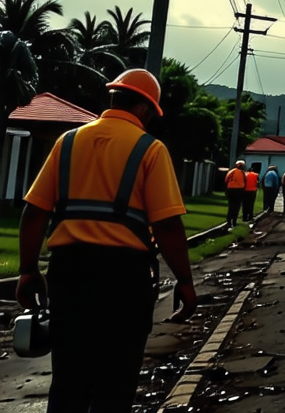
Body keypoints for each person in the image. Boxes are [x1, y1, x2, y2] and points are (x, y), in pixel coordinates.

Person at [16, 68, 197, 411]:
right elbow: (168, 226)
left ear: (113, 97)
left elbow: (35, 212)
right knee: (117, 377)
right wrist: (185, 281)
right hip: (124, 277)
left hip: (69, 272)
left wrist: (28, 271)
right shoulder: (150, 150)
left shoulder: (68, 142)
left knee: (69, 376)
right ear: (145, 109)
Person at [224, 159, 247, 226]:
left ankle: (229, 221)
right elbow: (245, 182)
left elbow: (226, 180)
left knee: (231, 206)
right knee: (236, 206)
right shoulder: (243, 173)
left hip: (231, 190)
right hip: (239, 190)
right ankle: (233, 221)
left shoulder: (232, 171)